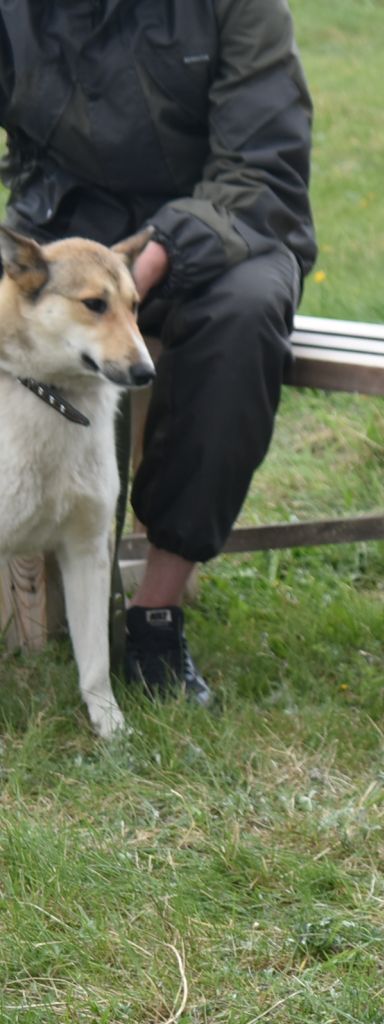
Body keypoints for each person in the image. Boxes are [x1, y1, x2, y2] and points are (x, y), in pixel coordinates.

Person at [0, 0, 316, 704]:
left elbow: (263, 168)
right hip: (63, 230)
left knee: (245, 319)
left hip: (227, 229)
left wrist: (141, 269)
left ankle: (156, 617)